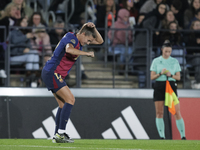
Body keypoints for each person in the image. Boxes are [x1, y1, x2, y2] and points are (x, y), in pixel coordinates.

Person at [41, 22, 104, 143]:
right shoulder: (72, 39)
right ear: (83, 34)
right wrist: (86, 53)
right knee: (70, 99)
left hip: (51, 72)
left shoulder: (77, 38)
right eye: (88, 40)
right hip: (53, 72)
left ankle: (56, 135)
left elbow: (100, 41)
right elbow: (69, 50)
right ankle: (60, 134)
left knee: (63, 104)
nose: (88, 43)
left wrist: (94, 28)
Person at [150, 40, 186, 140]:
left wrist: (171, 75)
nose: (167, 53)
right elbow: (152, 77)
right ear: (162, 50)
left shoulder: (174, 61)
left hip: (170, 85)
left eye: (169, 52)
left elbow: (178, 77)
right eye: (165, 51)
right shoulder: (156, 61)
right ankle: (162, 137)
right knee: (159, 112)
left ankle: (183, 136)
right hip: (160, 85)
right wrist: (160, 74)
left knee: (176, 111)